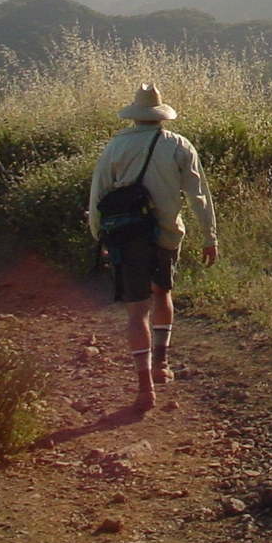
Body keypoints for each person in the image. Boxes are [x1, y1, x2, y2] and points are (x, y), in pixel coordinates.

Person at [89, 83, 218, 412]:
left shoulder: (114, 148)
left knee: (136, 311)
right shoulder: (178, 145)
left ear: (135, 114)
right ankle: (161, 363)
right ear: (160, 114)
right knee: (162, 293)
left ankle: (145, 386)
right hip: (166, 234)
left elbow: (98, 197)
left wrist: (100, 237)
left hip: (128, 236)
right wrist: (209, 236)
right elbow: (198, 195)